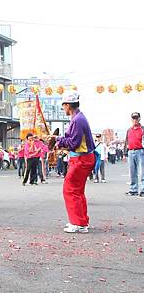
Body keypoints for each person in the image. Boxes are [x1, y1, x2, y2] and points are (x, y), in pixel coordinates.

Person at [50, 91, 95, 233]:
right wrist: (59, 140)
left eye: (63, 106)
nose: (63, 108)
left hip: (81, 159)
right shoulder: (78, 118)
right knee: (77, 191)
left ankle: (79, 224)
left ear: (68, 105)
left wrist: (57, 140)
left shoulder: (77, 120)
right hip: (82, 158)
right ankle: (81, 221)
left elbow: (73, 143)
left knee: (70, 190)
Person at [124, 112, 144, 197]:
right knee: (132, 172)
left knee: (142, 172)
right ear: (131, 119)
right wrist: (125, 152)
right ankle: (133, 189)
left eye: (136, 118)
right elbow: (126, 141)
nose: (135, 120)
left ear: (139, 119)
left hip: (140, 151)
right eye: (133, 118)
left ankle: (143, 190)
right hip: (131, 151)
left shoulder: (143, 129)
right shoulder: (129, 130)